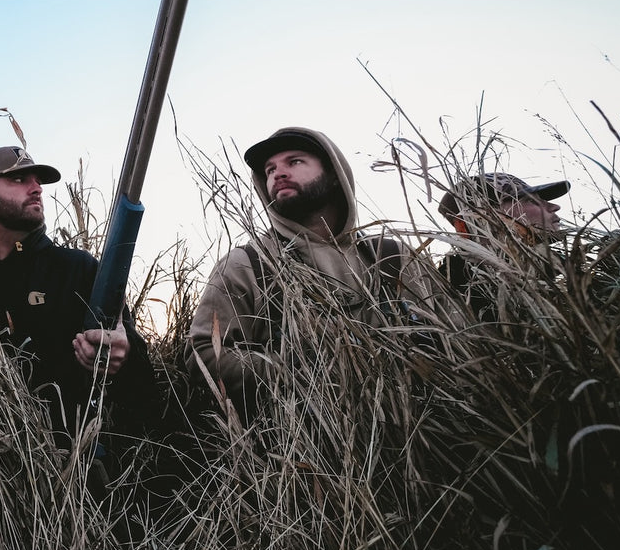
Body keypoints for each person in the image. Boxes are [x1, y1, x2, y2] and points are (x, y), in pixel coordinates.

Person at [0, 145, 158, 454]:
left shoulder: (78, 269)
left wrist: (124, 354)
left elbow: (144, 381)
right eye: (19, 179)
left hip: (73, 474)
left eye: (37, 180)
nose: (36, 188)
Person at [186, 127, 437, 417]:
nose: (278, 173)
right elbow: (203, 353)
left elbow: (452, 337)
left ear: (334, 175)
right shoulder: (247, 263)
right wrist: (298, 374)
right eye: (269, 170)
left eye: (294, 162)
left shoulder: (394, 255)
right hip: (305, 452)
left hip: (424, 434)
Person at [436, 172, 569, 320]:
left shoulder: (565, 274)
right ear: (483, 217)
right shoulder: (451, 302)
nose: (554, 206)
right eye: (531, 201)